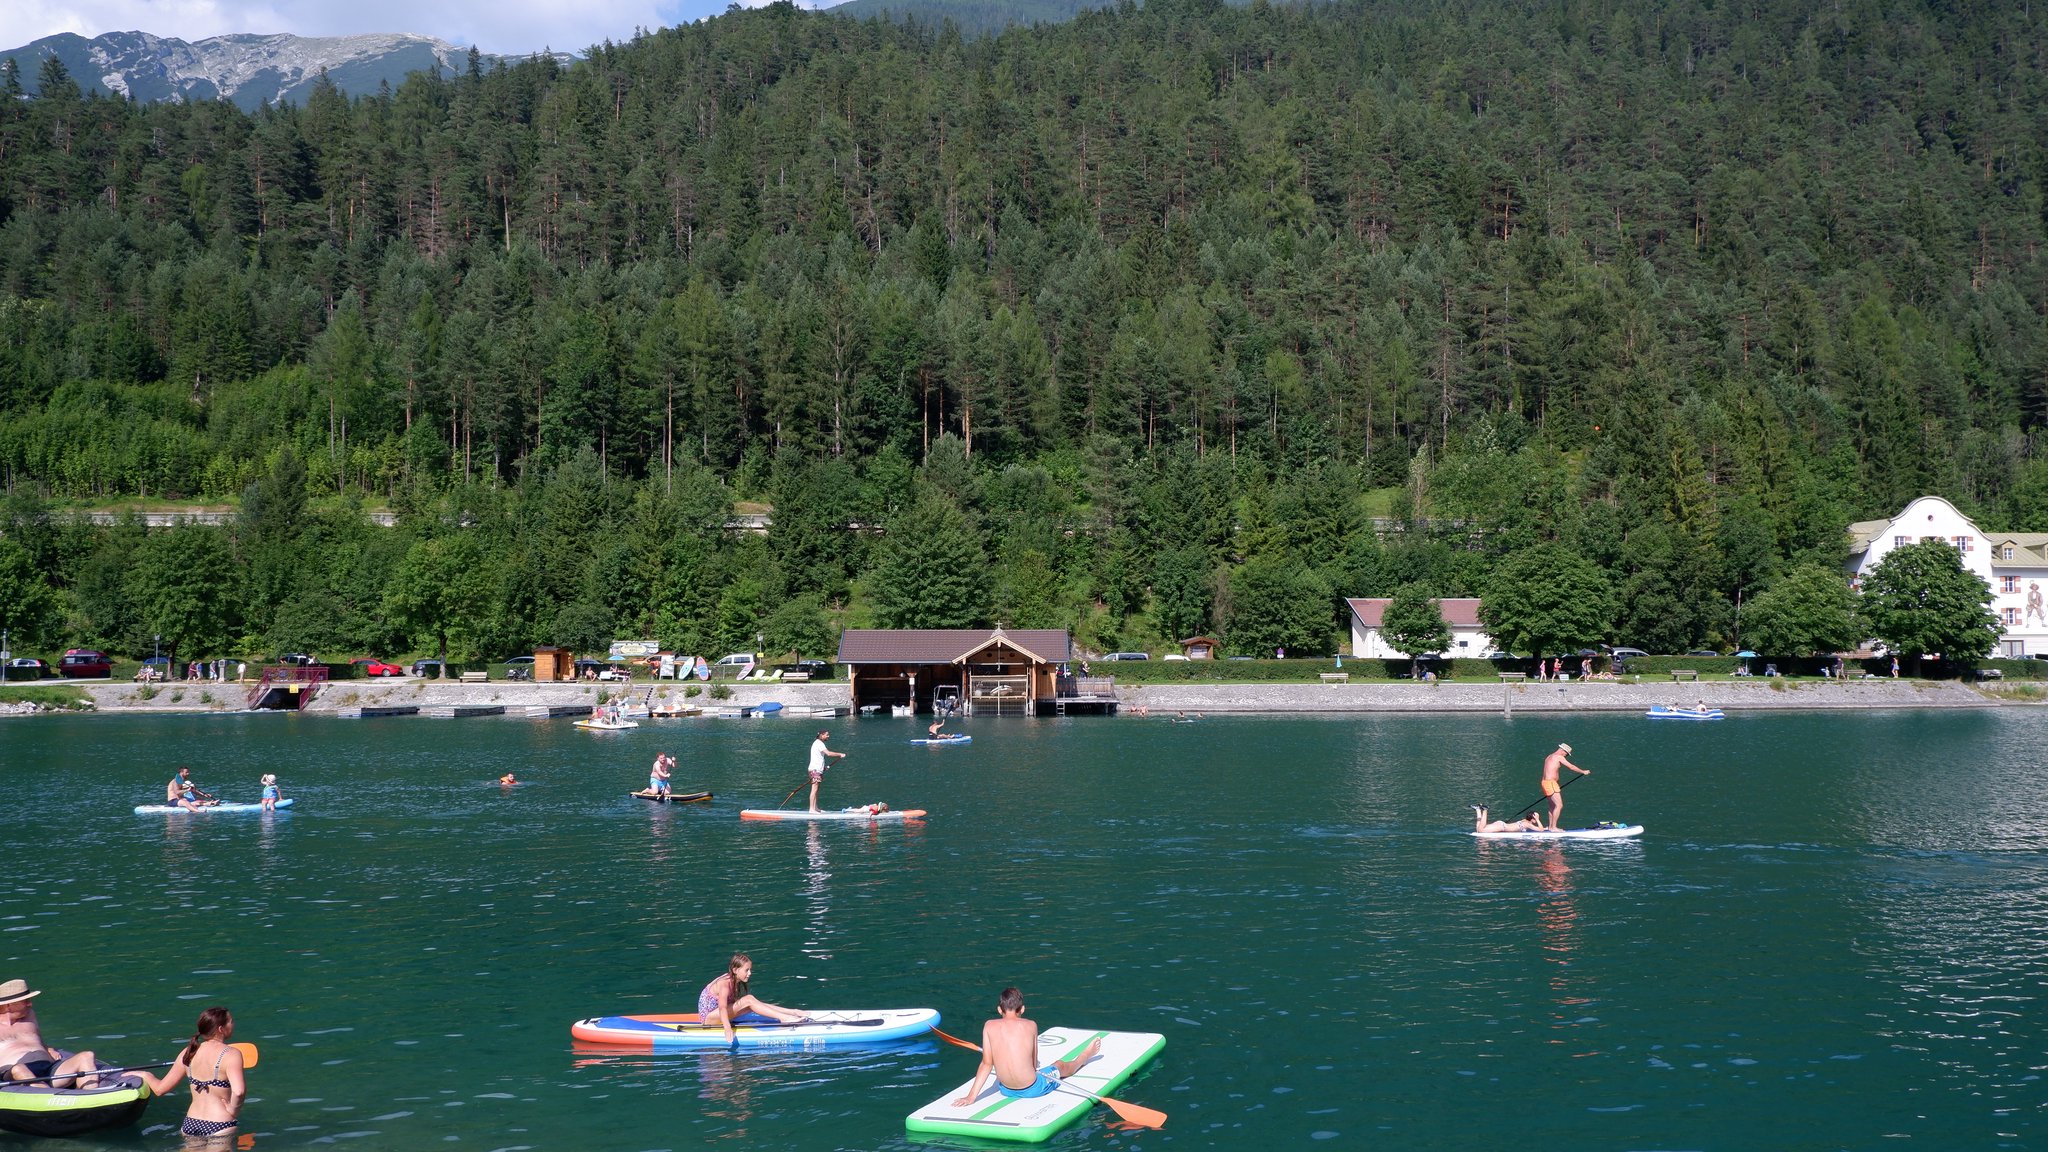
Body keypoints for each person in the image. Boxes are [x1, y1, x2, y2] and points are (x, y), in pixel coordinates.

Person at [952, 987, 1102, 1105]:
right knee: (1060, 1065)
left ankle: (1083, 1057)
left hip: (1005, 1089)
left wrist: (971, 1097)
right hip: (1033, 1089)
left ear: (999, 1009)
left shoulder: (989, 1026)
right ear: (1022, 1009)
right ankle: (1085, 1056)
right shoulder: (1031, 1025)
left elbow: (986, 1063)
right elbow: (1033, 1063)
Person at [138, 1006, 244, 1141]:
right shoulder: (231, 1054)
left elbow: (160, 1090)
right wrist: (233, 1110)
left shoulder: (188, 1052)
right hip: (220, 1124)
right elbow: (239, 1091)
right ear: (220, 1029)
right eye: (231, 1021)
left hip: (191, 1124)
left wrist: (146, 1075)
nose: (233, 1024)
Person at [0, 979, 101, 1090]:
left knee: (87, 1056)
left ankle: (93, 1095)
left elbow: (36, 1039)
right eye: (25, 1001)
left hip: (48, 1068)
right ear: (8, 1005)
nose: (30, 1004)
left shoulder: (30, 1015)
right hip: (15, 1072)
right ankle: (47, 1096)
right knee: (19, 1069)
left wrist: (48, 1049)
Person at [698, 953, 807, 1044]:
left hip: (717, 1014)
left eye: (750, 970)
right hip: (709, 1019)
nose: (750, 973)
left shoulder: (734, 980)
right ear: (735, 970)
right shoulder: (725, 983)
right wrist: (727, 1028)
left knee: (753, 1004)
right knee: (749, 1000)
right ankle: (785, 1018)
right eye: (747, 970)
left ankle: (791, 1013)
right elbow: (722, 1008)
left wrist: (793, 1011)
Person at [1539, 742, 1589, 831]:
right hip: (1550, 783)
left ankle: (1551, 827)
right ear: (1563, 750)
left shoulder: (1549, 756)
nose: (1566, 756)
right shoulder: (1559, 757)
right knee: (1559, 805)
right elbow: (1571, 767)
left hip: (1545, 783)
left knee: (1552, 806)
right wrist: (1583, 771)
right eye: (1566, 754)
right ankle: (1553, 827)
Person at [806, 730, 846, 813]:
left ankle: (815, 808)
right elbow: (828, 753)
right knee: (814, 789)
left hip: (817, 770)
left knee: (816, 789)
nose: (828, 736)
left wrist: (823, 767)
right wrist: (840, 754)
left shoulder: (817, 743)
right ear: (822, 735)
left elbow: (818, 757)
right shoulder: (819, 743)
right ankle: (811, 809)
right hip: (815, 770)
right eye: (827, 735)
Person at [1471, 806, 1545, 834]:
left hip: (1501, 824)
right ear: (1533, 819)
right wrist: (1538, 819)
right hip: (1502, 827)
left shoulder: (1524, 821)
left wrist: (1546, 828)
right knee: (1481, 831)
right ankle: (1485, 810)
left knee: (1478, 829)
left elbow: (1540, 828)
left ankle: (1478, 810)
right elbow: (1541, 830)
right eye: (1536, 818)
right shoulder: (1528, 824)